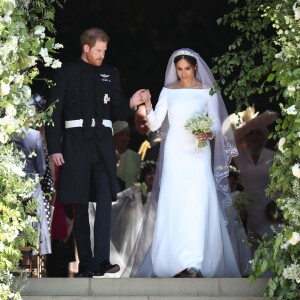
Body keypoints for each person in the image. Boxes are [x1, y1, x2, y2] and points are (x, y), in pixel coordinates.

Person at [122, 48, 241, 278]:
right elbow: (156, 124)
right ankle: (173, 261)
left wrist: (208, 133)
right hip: (176, 151)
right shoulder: (169, 90)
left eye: (187, 69)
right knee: (175, 201)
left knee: (198, 202)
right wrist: (148, 104)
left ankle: (197, 262)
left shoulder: (207, 90)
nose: (183, 73)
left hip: (198, 151)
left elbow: (217, 123)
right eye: (179, 69)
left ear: (195, 67)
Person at [45, 27, 146, 278]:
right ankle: (86, 264)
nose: (102, 55)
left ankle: (102, 260)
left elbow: (119, 111)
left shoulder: (110, 74)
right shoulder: (66, 72)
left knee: (103, 201)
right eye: (99, 50)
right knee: (80, 206)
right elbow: (53, 113)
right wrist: (55, 148)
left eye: (105, 51)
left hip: (102, 146)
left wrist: (132, 102)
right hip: (75, 145)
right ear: (86, 48)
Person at [113, 120, 141, 188]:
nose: (125, 138)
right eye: (121, 134)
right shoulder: (107, 156)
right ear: (113, 136)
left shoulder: (135, 156)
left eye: (127, 135)